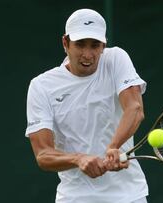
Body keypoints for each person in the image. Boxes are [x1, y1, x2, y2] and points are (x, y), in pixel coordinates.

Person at [25, 8, 148, 203]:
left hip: (129, 196)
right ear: (65, 43)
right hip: (75, 198)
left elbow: (135, 108)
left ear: (103, 45)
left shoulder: (116, 59)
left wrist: (113, 147)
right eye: (80, 45)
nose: (88, 54)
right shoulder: (41, 86)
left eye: (95, 45)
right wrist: (78, 159)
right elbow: (43, 155)